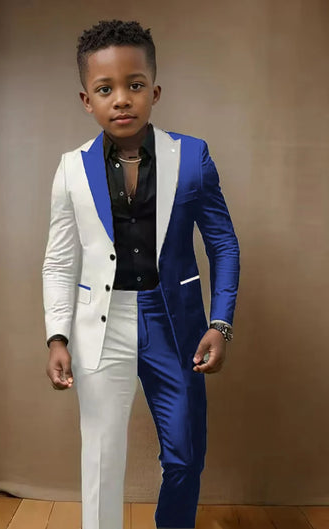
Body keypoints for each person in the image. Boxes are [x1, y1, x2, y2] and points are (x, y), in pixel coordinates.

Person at [42, 19, 240, 529]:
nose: (121, 100)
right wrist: (57, 335)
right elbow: (59, 261)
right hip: (100, 324)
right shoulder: (70, 169)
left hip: (174, 323)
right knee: (101, 459)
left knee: (185, 455)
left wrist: (220, 324)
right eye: (105, 89)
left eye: (134, 85)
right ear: (87, 100)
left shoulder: (192, 157)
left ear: (154, 91)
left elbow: (222, 244)